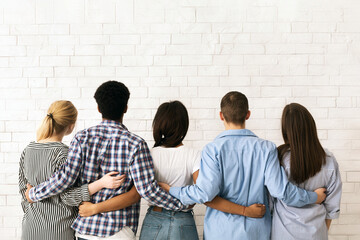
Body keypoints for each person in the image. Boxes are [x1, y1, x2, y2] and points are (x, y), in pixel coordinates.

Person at [77, 101, 266, 240]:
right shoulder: (194, 155)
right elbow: (206, 195)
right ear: (184, 125)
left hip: (154, 219)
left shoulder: (147, 154)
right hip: (184, 222)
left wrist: (95, 206)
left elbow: (136, 194)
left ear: (158, 124)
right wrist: (244, 211)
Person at [25, 81, 187, 240]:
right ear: (125, 108)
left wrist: (34, 194)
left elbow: (65, 179)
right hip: (119, 231)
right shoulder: (136, 144)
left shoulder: (81, 138)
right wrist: (180, 204)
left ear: (98, 108)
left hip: (86, 230)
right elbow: (148, 191)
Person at [160, 91, 327, 240]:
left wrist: (172, 190)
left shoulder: (212, 150)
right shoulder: (267, 149)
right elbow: (280, 191)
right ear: (248, 114)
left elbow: (205, 193)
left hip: (220, 233)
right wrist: (314, 197)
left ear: (221, 115)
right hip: (257, 232)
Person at [19, 100, 124, 240]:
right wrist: (101, 183)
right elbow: (68, 197)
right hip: (59, 230)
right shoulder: (65, 154)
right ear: (71, 126)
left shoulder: (28, 150)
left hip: (30, 229)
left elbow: (23, 192)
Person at [271, 103, 342, 240]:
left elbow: (270, 202)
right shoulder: (329, 161)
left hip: (283, 234)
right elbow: (332, 208)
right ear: (311, 127)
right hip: (316, 234)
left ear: (286, 131)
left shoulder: (279, 158)